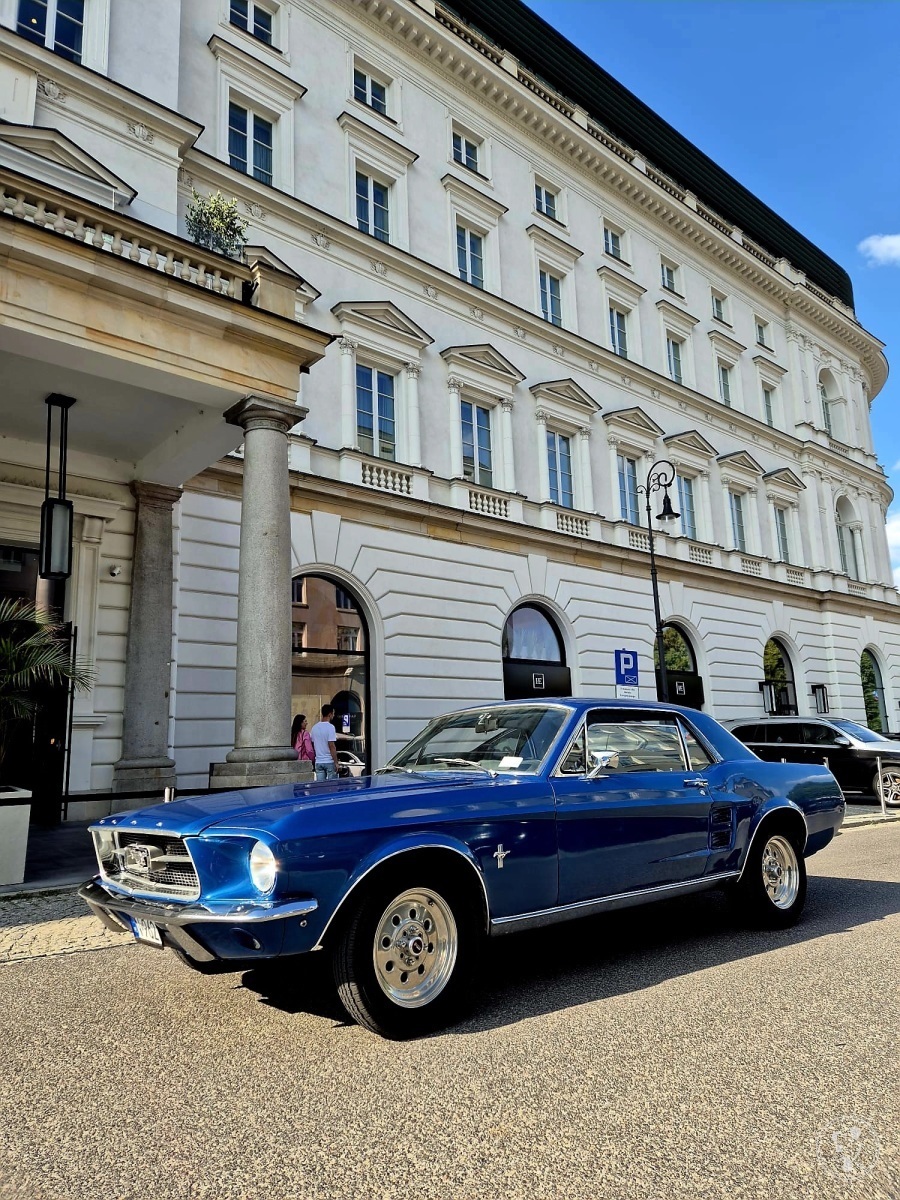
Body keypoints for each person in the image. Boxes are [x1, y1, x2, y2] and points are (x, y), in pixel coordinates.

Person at [310, 704, 339, 781]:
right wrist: (336, 762)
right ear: (330, 714)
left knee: (320, 788)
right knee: (332, 787)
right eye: (333, 713)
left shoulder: (314, 728)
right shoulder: (330, 727)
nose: (334, 715)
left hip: (318, 761)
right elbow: (331, 745)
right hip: (329, 760)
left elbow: (313, 744)